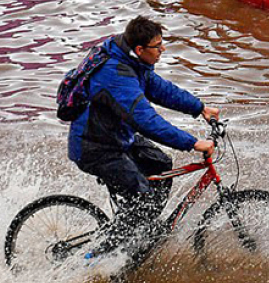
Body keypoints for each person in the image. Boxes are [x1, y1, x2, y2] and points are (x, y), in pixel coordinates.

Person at [67, 16, 219, 257]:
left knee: (160, 164)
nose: (163, 49)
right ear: (140, 49)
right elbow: (147, 121)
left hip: (117, 137)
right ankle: (99, 258)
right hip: (95, 147)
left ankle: (140, 228)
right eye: (158, 46)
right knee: (141, 194)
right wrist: (192, 143)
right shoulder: (116, 75)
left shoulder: (132, 60)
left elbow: (159, 89)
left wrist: (199, 107)